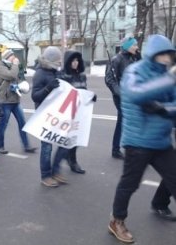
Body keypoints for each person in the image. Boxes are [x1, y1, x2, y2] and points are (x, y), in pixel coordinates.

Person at [108, 35, 176, 244]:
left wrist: (165, 109)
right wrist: (169, 82)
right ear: (153, 54)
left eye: (169, 54)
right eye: (162, 54)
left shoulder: (167, 74)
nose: (166, 58)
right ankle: (117, 221)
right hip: (138, 141)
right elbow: (135, 94)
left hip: (161, 140)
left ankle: (159, 203)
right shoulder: (135, 71)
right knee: (130, 184)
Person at [31, 46, 68, 187]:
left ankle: (56, 171)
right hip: (45, 115)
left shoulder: (54, 71)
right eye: (58, 61)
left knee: (64, 142)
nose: (60, 63)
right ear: (51, 60)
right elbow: (35, 96)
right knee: (47, 147)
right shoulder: (40, 74)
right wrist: (48, 88)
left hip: (56, 114)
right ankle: (46, 176)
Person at [105, 35, 140, 159]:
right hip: (121, 96)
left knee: (129, 121)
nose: (137, 47)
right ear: (127, 46)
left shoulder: (133, 58)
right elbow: (109, 79)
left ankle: (129, 147)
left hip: (132, 95)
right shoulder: (116, 59)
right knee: (123, 121)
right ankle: (116, 149)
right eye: (134, 45)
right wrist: (119, 92)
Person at [61, 50, 96, 174]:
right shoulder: (62, 75)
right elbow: (61, 94)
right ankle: (69, 160)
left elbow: (83, 90)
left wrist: (91, 96)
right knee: (66, 137)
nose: (75, 63)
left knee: (76, 136)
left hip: (79, 110)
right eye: (72, 60)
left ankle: (70, 158)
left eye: (77, 60)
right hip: (67, 111)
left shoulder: (81, 74)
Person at [0, 49, 35, 154]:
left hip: (16, 100)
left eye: (14, 55)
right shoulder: (0, 66)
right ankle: (0, 146)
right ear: (7, 57)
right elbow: (11, 75)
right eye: (12, 55)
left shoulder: (15, 66)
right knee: (3, 125)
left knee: (23, 123)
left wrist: (23, 85)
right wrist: (16, 65)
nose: (14, 57)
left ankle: (26, 146)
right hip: (5, 101)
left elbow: (21, 77)